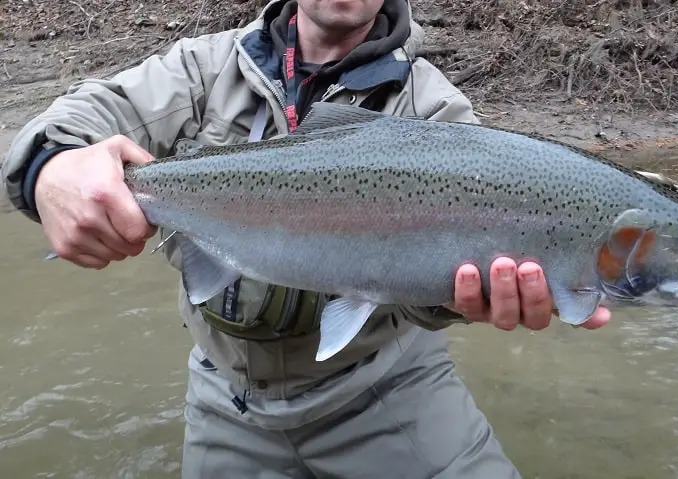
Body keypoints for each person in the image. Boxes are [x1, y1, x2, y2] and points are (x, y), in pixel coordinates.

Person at [2, 0, 611, 477]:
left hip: (386, 386)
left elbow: (445, 293)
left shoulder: (435, 110)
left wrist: (459, 299)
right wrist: (50, 171)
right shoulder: (206, 66)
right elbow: (78, 117)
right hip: (227, 393)